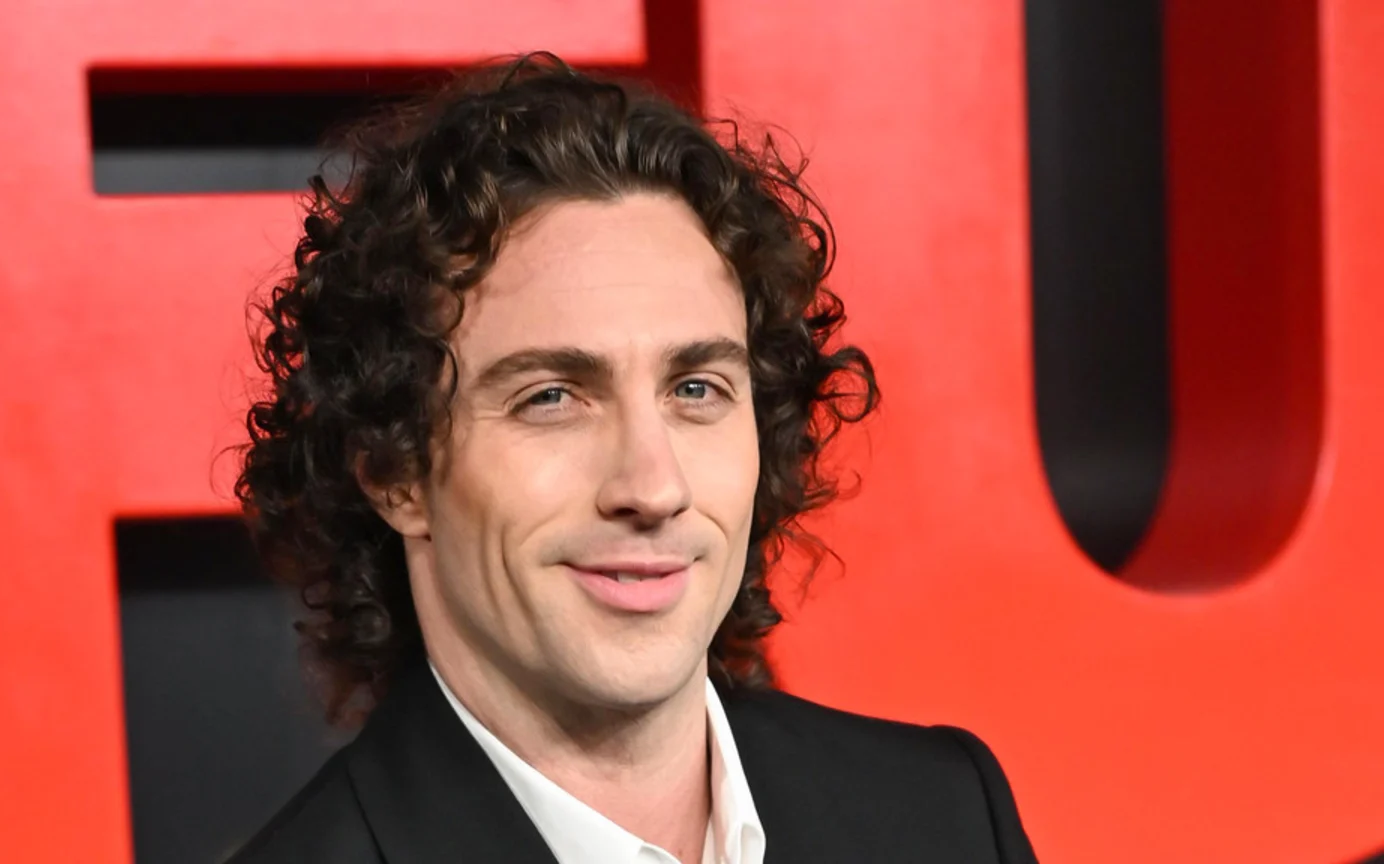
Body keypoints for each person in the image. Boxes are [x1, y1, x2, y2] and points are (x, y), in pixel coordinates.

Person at [230, 52, 1038, 864]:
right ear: (393, 470)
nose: (654, 486)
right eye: (551, 397)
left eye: (695, 388)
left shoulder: (944, 817)